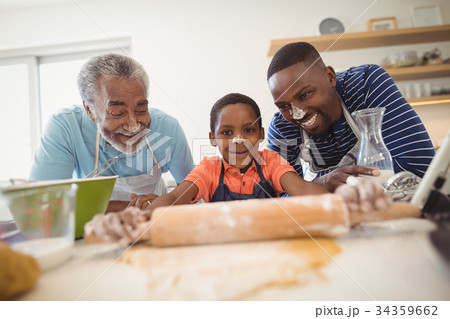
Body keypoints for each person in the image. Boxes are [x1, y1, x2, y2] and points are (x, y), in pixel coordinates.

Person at [84, 93, 389, 244]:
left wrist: (343, 199)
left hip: (273, 243)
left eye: (249, 131)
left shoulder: (271, 161)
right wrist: (139, 217)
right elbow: (174, 199)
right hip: (222, 245)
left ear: (261, 135)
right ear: (213, 139)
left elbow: (304, 190)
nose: (239, 140)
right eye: (227, 133)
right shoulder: (209, 168)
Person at [29, 53, 194, 211]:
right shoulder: (66, 128)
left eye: (141, 109)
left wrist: (159, 207)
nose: (133, 126)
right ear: (90, 110)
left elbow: (194, 197)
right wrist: (131, 209)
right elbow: (40, 203)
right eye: (117, 113)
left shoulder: (168, 129)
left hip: (154, 227)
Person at [266, 42, 436, 192]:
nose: (298, 113)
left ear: (330, 77)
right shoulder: (282, 126)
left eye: (304, 95)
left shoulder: (365, 84)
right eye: (284, 106)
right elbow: (277, 200)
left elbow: (419, 167)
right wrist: (324, 183)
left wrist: (314, 187)